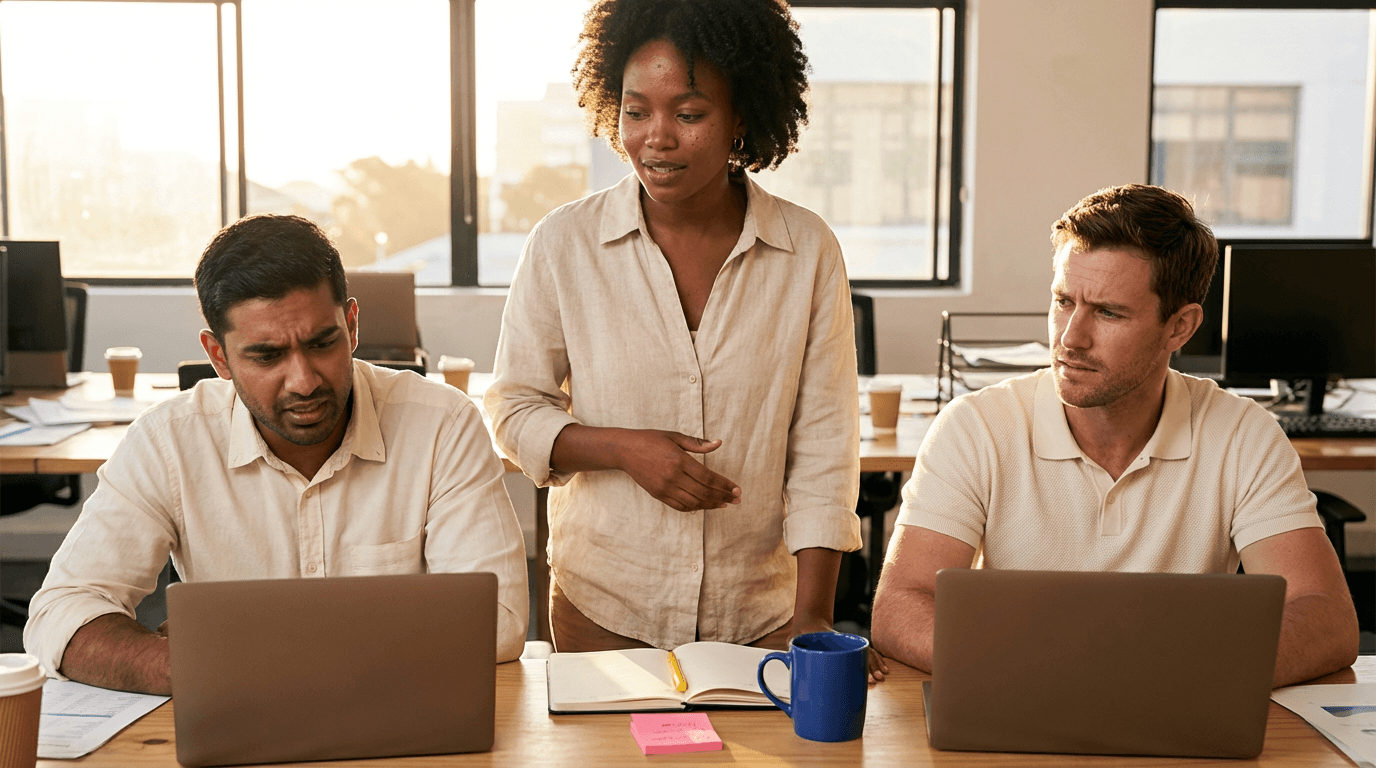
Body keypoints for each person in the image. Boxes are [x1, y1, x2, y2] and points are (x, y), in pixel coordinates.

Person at [486, 0, 884, 678]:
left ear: (741, 118)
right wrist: (623, 449)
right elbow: (512, 410)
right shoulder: (564, 244)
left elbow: (825, 448)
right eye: (636, 111)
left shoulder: (807, 250)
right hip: (605, 611)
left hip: (762, 616)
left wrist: (814, 616)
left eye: (689, 114)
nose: (656, 138)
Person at [871, 184, 1359, 688]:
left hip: (1172, 711)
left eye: (1108, 312)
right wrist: (1065, 676)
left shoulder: (1244, 435)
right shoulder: (975, 427)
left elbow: (1326, 619)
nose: (1070, 338)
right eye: (1064, 301)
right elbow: (899, 607)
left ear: (1180, 327)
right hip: (1027, 702)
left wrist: (1147, 681)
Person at [25, 214, 529, 695]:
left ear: (352, 325)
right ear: (218, 356)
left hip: (397, 717)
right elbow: (59, 617)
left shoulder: (442, 424)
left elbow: (499, 622)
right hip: (238, 718)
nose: (304, 381)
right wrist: (183, 666)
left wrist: (232, 655)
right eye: (267, 356)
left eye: (322, 343)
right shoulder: (167, 441)